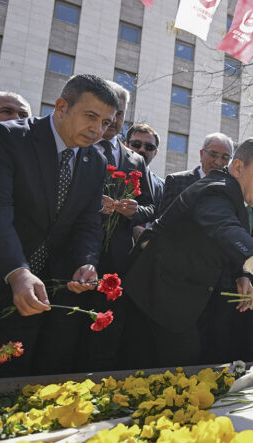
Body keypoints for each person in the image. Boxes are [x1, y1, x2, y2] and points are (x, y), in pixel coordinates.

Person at [0, 75, 118, 377]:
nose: (97, 130)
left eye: (105, 122)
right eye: (90, 116)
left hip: (33, 299)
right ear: (61, 107)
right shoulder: (6, 138)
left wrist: (85, 262)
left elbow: (88, 222)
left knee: (5, 386)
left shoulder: (95, 161)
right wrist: (17, 271)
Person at [125, 138, 253, 368]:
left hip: (185, 298)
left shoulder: (238, 194)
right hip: (155, 296)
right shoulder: (216, 190)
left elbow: (220, 240)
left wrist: (241, 273)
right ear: (238, 167)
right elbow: (225, 229)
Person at [69, 82, 155, 374]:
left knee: (106, 333)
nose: (114, 120)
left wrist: (133, 211)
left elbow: (152, 206)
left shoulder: (135, 160)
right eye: (110, 112)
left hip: (117, 262)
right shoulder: (77, 147)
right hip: (73, 256)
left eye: (120, 114)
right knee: (67, 329)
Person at [157, 132, 234, 215]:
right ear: (201, 154)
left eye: (225, 157)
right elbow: (163, 221)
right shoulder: (176, 181)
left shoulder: (231, 189)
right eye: (213, 154)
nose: (218, 162)